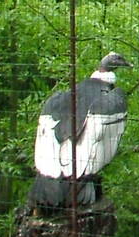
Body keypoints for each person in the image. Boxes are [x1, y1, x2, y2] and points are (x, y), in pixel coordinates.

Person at [29, 52, 127, 208]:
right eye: (119, 60)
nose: (123, 62)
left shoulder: (60, 99)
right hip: (78, 178)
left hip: (56, 178)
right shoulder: (112, 100)